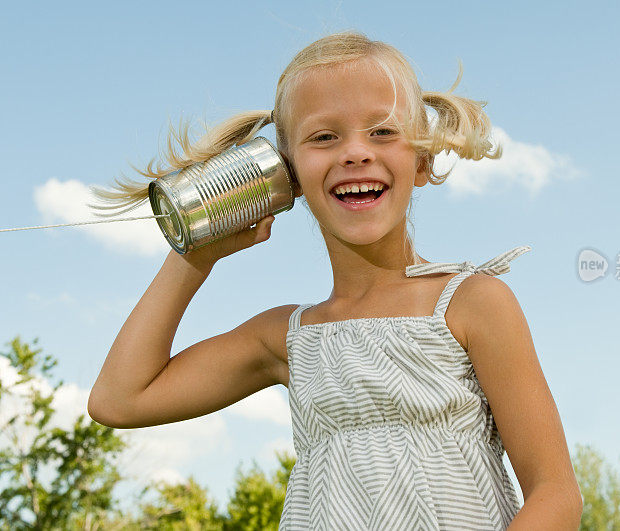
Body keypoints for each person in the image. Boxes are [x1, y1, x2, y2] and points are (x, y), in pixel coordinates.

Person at [87, 31, 583, 530]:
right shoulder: (286, 337)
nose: (355, 153)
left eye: (384, 132)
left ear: (423, 160)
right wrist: (194, 252)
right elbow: (120, 399)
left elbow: (555, 493)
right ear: (287, 175)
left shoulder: (472, 303)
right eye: (324, 137)